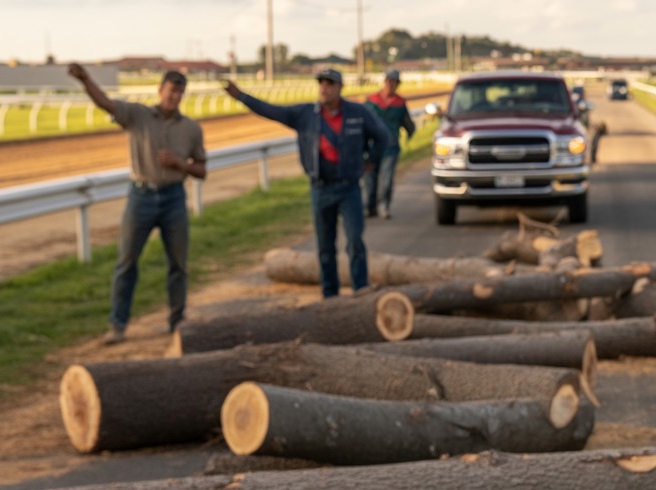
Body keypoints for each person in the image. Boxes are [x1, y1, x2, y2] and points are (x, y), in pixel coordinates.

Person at [67, 63, 206, 344]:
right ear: (160, 91)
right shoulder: (138, 115)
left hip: (174, 198)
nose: (174, 98)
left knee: (178, 264)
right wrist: (86, 80)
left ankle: (177, 322)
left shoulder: (191, 128)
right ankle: (118, 325)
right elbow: (106, 104)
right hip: (140, 196)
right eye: (171, 92)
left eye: (179, 94)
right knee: (126, 262)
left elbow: (202, 170)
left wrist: (181, 163)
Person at [223, 69, 391, 297]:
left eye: (330, 84)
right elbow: (271, 111)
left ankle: (360, 290)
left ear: (340, 88)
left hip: (348, 187)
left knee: (354, 242)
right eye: (321, 83)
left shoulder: (357, 113)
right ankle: (329, 296)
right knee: (324, 247)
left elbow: (382, 137)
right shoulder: (306, 114)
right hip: (320, 188)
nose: (324, 88)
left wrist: (370, 162)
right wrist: (241, 96)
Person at [363, 69, 416, 220]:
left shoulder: (400, 104)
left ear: (398, 85)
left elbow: (408, 124)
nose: (391, 85)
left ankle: (383, 206)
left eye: (394, 82)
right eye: (389, 81)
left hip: (390, 147)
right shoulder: (371, 101)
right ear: (384, 82)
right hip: (371, 146)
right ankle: (369, 206)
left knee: (386, 178)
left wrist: (410, 132)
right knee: (369, 177)